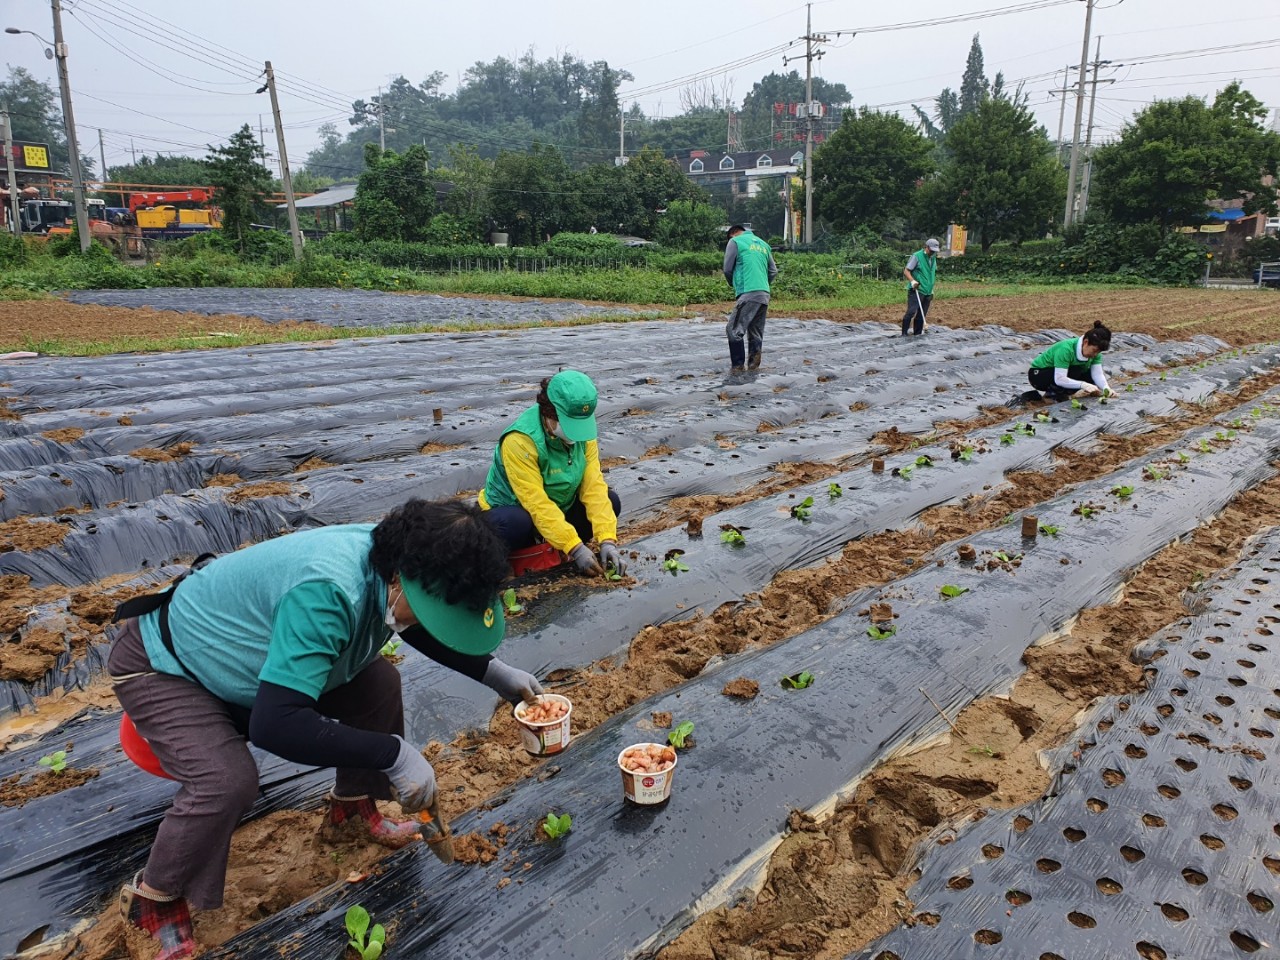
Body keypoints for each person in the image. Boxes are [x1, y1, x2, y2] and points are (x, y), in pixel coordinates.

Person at [109, 498, 542, 960]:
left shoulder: (397, 562)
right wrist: (393, 755)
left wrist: (491, 670)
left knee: (379, 684)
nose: (435, 621)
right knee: (226, 780)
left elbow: (418, 621)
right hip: (170, 665)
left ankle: (352, 812)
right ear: (400, 580)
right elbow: (276, 724)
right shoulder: (329, 590)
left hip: (254, 654)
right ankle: (153, 900)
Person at [479, 369, 626, 579]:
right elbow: (535, 503)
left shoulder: (583, 435)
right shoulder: (521, 441)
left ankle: (554, 546)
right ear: (549, 413)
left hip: (557, 509)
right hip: (517, 512)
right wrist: (574, 547)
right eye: (570, 425)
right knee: (516, 522)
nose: (576, 435)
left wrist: (608, 540)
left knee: (611, 501)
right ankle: (511, 557)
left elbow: (593, 486)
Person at [723, 224, 778, 373]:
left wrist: (733, 283)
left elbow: (727, 269)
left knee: (733, 330)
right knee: (755, 331)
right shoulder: (763, 244)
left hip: (748, 292)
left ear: (733, 233)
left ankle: (738, 367)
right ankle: (753, 367)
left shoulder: (735, 241)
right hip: (764, 293)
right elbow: (773, 271)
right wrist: (762, 284)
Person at [1023, 321, 1114, 403]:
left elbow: (1097, 374)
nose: (1095, 354)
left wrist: (1106, 388)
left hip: (1059, 375)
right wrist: (1083, 385)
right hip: (1039, 375)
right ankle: (1051, 396)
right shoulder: (1066, 349)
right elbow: (1060, 379)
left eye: (1098, 352)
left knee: (1089, 375)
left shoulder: (1095, 354)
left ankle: (1063, 394)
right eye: (1094, 350)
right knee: (1075, 370)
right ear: (1086, 342)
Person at [901, 238, 940, 336]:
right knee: (911, 312)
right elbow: (906, 271)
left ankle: (917, 334)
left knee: (921, 315)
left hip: (928, 291)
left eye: (934, 251)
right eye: (931, 250)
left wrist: (931, 290)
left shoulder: (933, 257)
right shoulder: (917, 256)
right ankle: (904, 334)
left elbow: (930, 274)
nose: (932, 253)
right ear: (926, 247)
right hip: (917, 289)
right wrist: (912, 281)